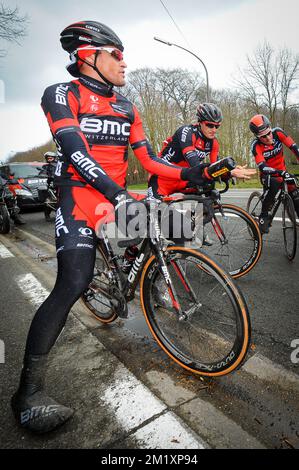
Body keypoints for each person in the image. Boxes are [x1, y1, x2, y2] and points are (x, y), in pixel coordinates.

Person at [11, 21, 233, 434]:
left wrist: (202, 174)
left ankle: (139, 280)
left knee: (175, 228)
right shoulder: (62, 94)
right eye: (117, 53)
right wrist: (117, 195)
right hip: (79, 197)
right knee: (73, 281)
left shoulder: (128, 107)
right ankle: (27, 392)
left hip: (115, 197)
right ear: (88, 55)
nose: (124, 61)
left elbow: (151, 163)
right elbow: (75, 152)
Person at [148, 102, 256, 199]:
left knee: (210, 190)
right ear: (200, 122)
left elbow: (214, 168)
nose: (214, 130)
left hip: (184, 179)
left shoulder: (213, 143)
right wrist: (229, 170)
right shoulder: (186, 132)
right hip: (162, 178)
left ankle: (198, 219)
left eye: (217, 126)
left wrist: (228, 171)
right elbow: (195, 164)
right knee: (154, 216)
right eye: (210, 125)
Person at [249, 114, 299, 233]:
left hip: (283, 172)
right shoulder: (255, 145)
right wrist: (279, 173)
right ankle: (263, 216)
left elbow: (295, 148)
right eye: (263, 136)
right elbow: (262, 166)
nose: (268, 137)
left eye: (268, 132)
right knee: (274, 184)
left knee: (296, 194)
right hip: (268, 175)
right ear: (257, 136)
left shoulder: (278, 133)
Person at [41, 151, 57, 221]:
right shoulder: (45, 166)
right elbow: (42, 173)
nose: (50, 159)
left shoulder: (59, 164)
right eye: (48, 158)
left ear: (54, 158)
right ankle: (47, 214)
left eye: (51, 158)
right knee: (49, 199)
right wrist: (44, 174)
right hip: (51, 183)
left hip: (60, 182)